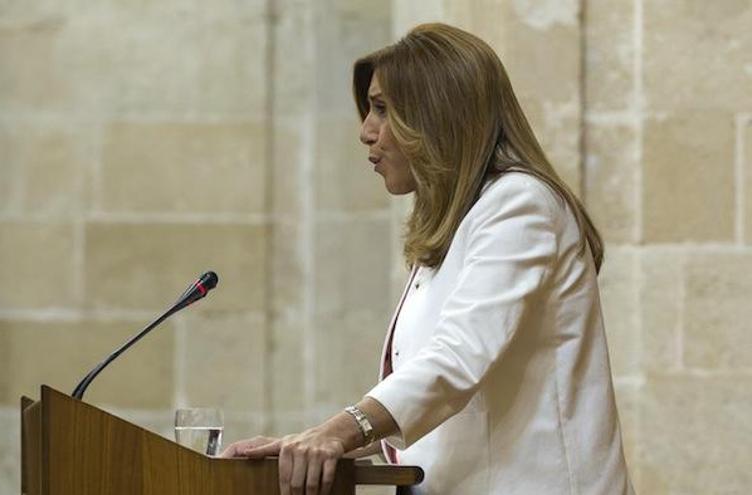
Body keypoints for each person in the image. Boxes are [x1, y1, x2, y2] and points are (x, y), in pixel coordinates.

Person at [222, 23, 634, 495]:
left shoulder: (520, 204)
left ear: (436, 114)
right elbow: (444, 413)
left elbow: (457, 360)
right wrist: (313, 445)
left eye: (381, 109)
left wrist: (339, 430)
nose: (366, 132)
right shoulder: (461, 219)